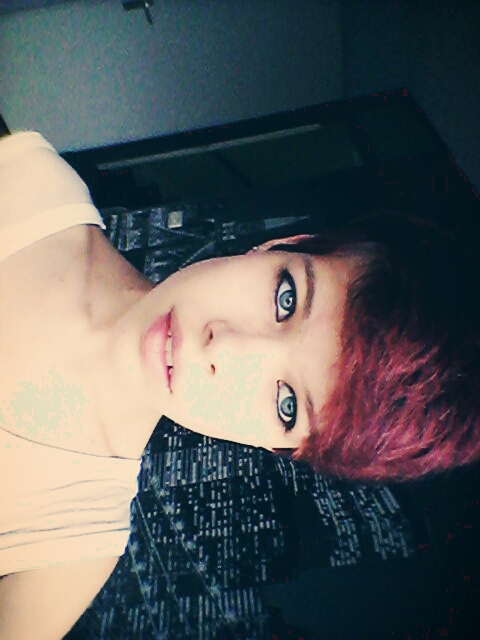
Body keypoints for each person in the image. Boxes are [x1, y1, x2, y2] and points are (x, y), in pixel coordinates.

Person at [0, 131, 479, 638]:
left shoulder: (67, 549)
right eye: (286, 299)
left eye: (287, 404)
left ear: (278, 447)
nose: (223, 348)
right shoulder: (30, 182)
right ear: (280, 246)